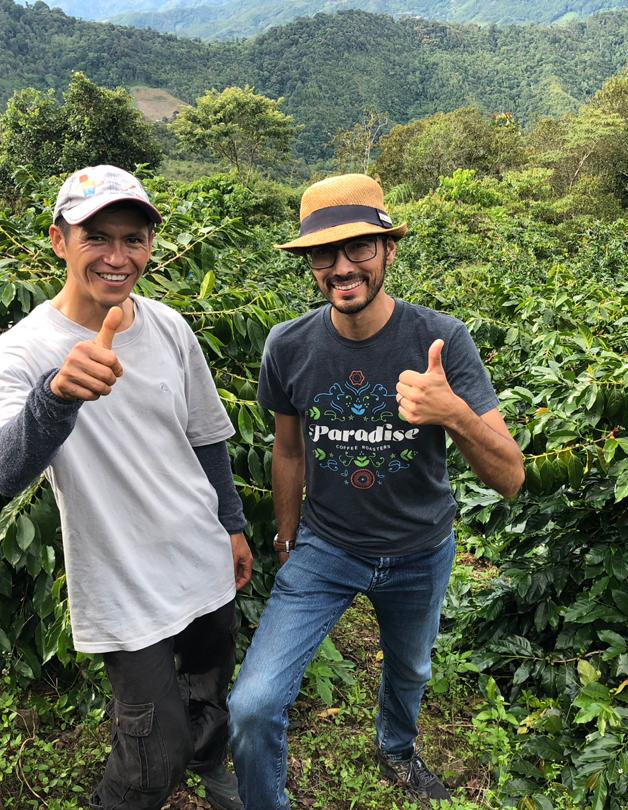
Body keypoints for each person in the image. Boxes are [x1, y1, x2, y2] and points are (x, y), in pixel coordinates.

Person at [228, 173, 524, 807]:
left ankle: (396, 748)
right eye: (323, 253)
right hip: (327, 548)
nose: (342, 267)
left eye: (359, 247)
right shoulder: (288, 345)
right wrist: (287, 534)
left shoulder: (440, 340)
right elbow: (288, 448)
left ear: (389, 249)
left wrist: (453, 412)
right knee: (252, 705)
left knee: (410, 668)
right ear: (310, 264)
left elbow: (510, 478)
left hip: (421, 549)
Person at [0, 165, 252, 810]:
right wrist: (55, 397)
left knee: (208, 689)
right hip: (122, 578)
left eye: (134, 238)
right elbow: (2, 474)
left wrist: (232, 525)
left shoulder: (170, 327)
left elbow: (206, 437)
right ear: (59, 241)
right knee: (152, 755)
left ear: (150, 246)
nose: (117, 257)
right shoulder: (21, 354)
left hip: (200, 553)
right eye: (96, 237)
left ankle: (213, 766)